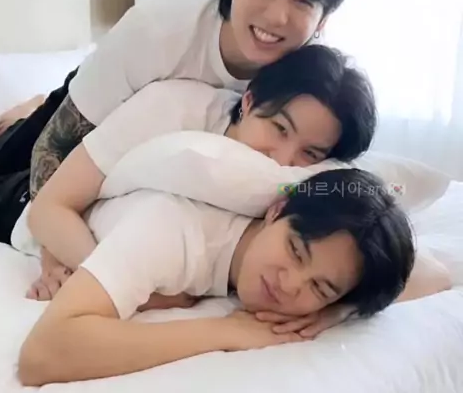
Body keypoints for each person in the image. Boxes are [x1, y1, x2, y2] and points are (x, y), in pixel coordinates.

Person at [0, 0, 357, 201]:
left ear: (324, 19)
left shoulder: (310, 81)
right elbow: (53, 148)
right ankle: (29, 109)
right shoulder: (156, 30)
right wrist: (49, 236)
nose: (277, 16)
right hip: (93, 101)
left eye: (303, 1)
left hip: (143, 145)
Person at [18, 167, 415, 386]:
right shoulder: (171, 229)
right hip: (12, 200)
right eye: (296, 251)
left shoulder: (338, 274)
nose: (290, 284)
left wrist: (336, 310)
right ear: (276, 210)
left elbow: (434, 274)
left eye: (320, 286)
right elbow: (42, 354)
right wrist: (223, 331)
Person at [24, 45, 375, 291]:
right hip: (15, 189)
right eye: (279, 128)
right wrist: (96, 271)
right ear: (249, 101)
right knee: (18, 135)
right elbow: (48, 208)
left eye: (310, 153)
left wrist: (337, 309)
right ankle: (25, 112)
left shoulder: (313, 181)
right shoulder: (168, 109)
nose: (282, 161)